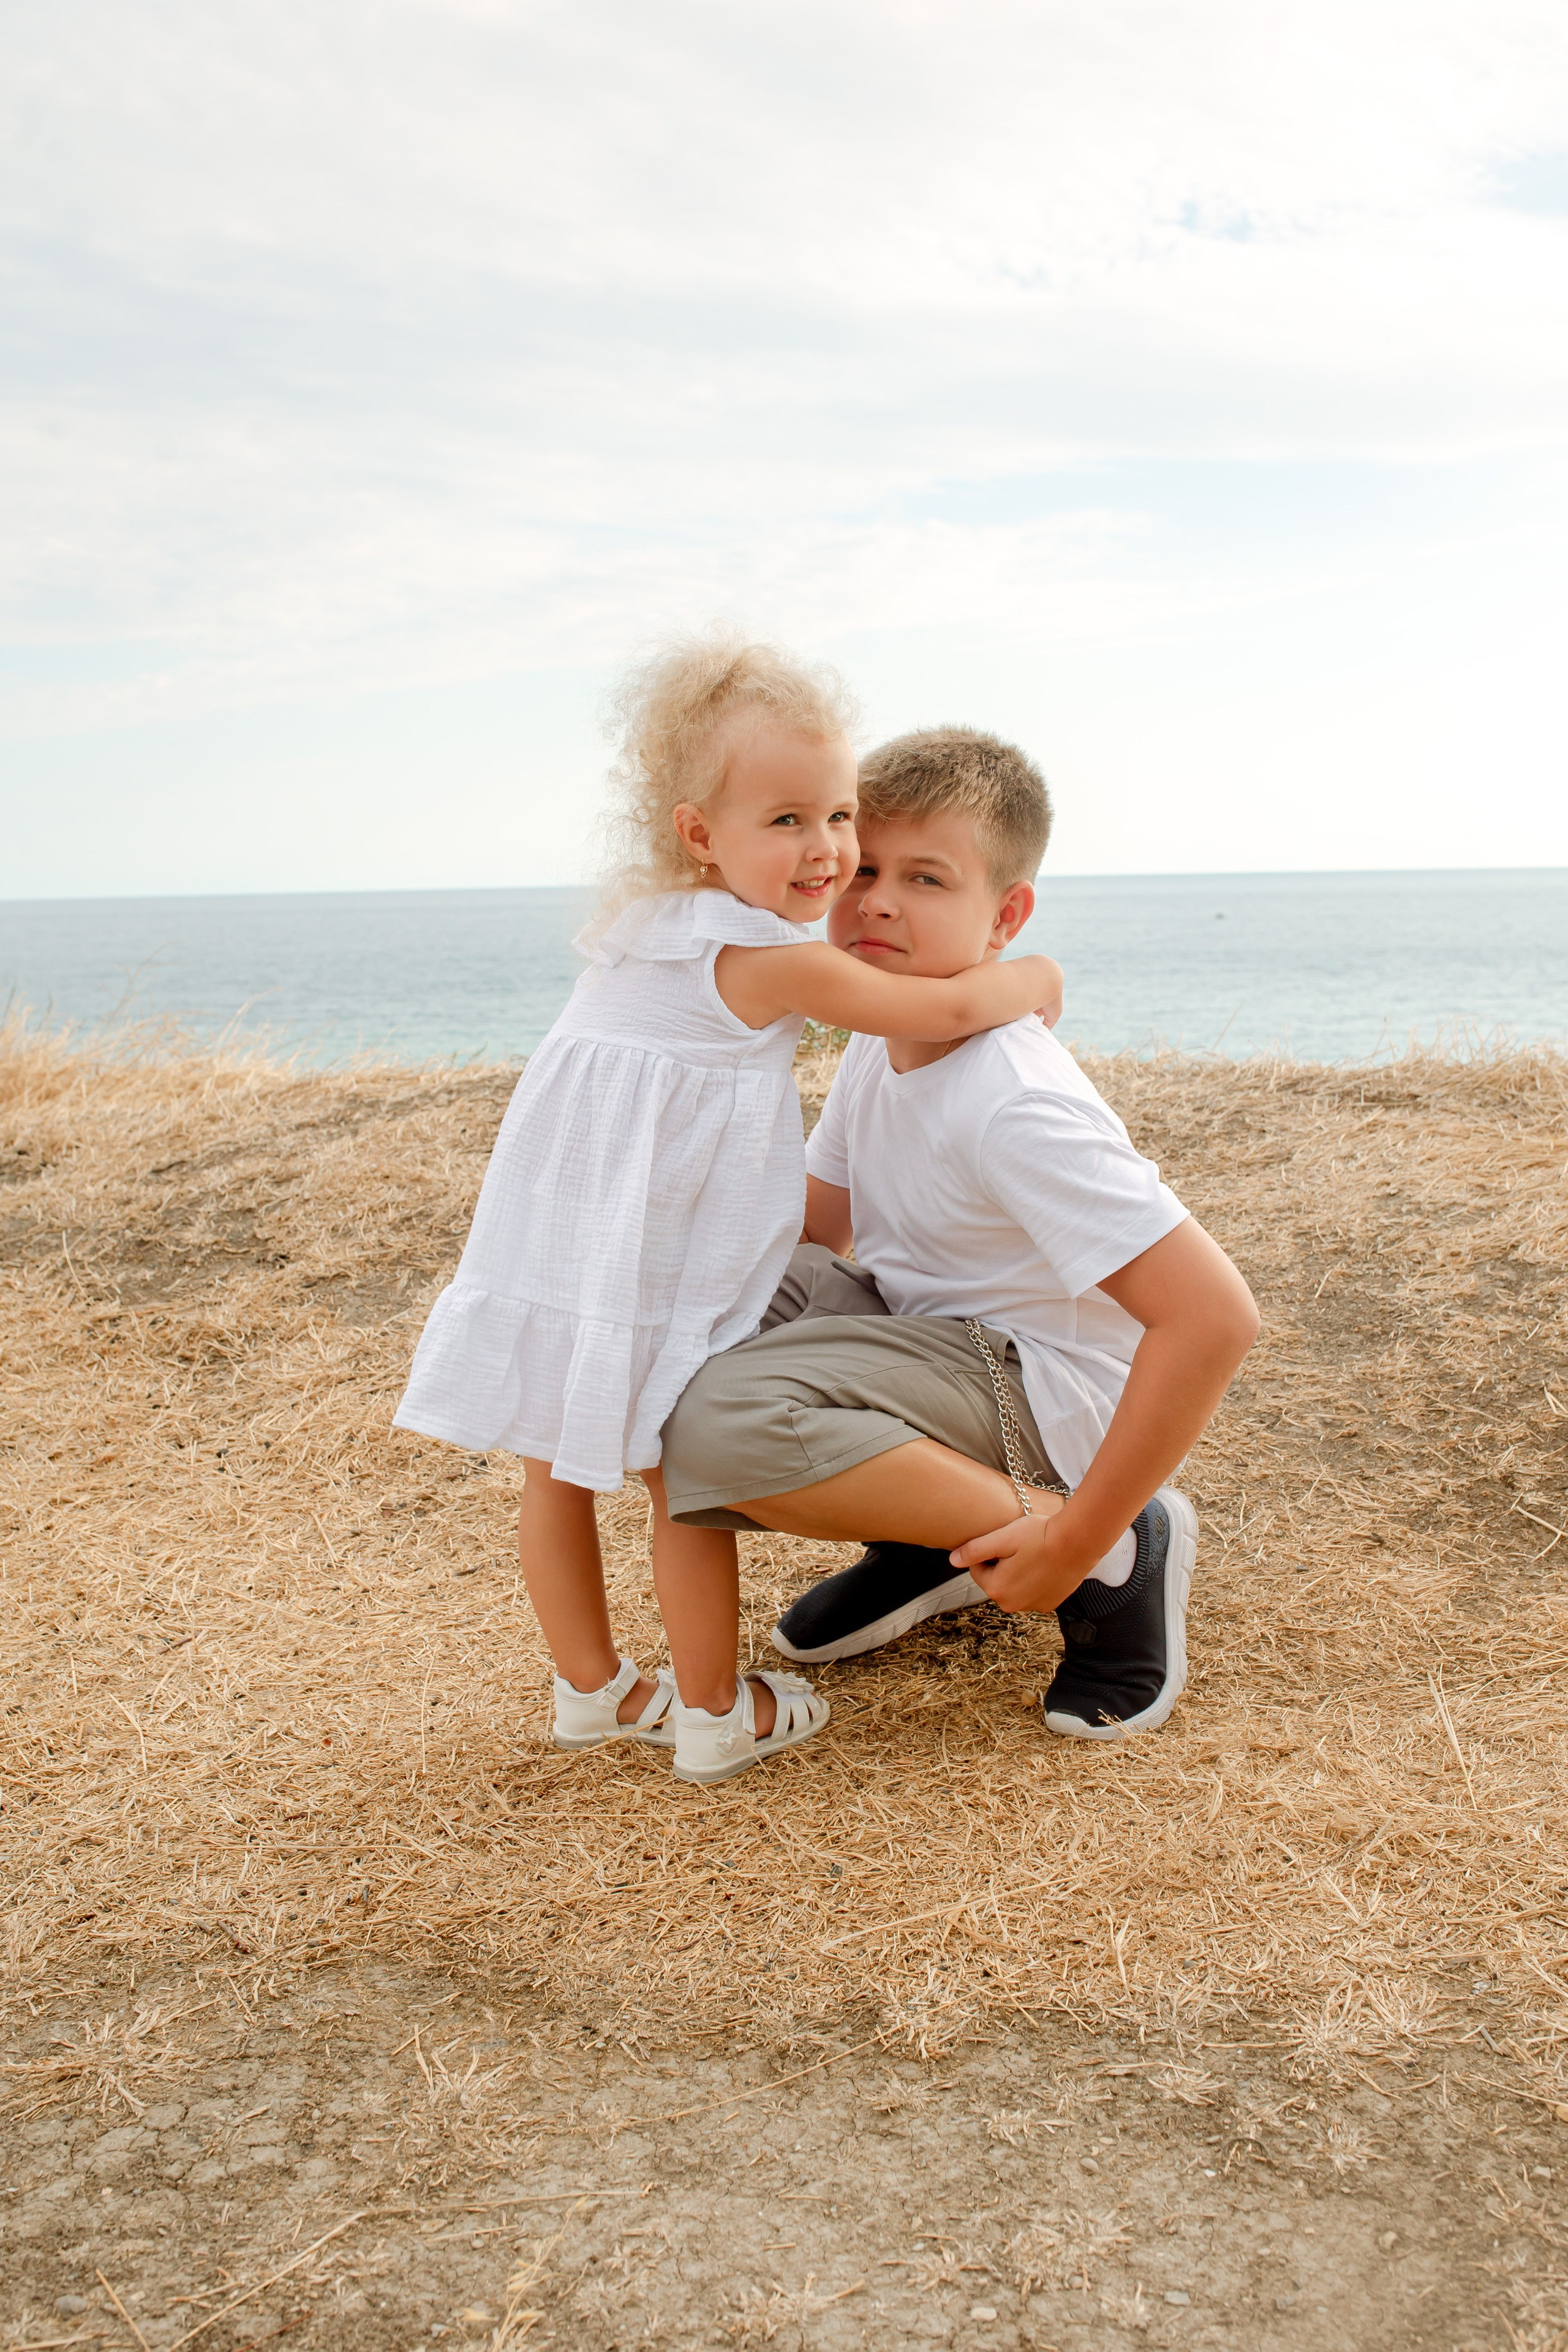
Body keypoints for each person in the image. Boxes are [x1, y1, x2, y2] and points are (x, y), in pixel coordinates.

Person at [393, 642, 1063, 1784]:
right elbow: (940, 1002)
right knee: (679, 1475)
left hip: (562, 1232)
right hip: (653, 1250)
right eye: (788, 820)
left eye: (839, 815)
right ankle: (714, 1711)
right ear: (702, 831)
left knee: (554, 1467)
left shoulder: (646, 923)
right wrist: (1035, 980)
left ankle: (592, 1691)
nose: (828, 852)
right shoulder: (765, 957)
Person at [660, 726, 1259, 1738]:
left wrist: (1081, 1532)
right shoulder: (879, 1037)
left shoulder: (1011, 1097)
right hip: (932, 1343)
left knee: (715, 1420)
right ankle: (929, 1542)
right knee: (686, 1314)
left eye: (928, 879)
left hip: (1051, 1395)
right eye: (866, 869)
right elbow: (815, 1229)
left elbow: (1213, 1319)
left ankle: (1119, 1560)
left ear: (1006, 916)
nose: (879, 901)